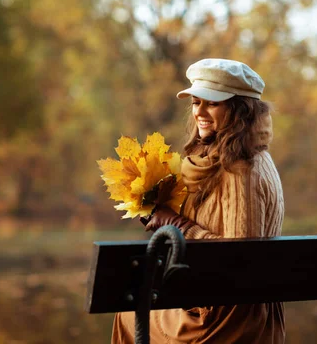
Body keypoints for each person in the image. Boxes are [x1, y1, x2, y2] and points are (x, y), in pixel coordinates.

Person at [112, 58, 285, 343]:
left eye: (213, 103)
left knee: (129, 311)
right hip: (226, 304)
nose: (199, 112)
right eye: (196, 102)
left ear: (240, 110)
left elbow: (240, 260)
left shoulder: (241, 170)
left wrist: (177, 225)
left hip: (227, 320)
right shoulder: (238, 159)